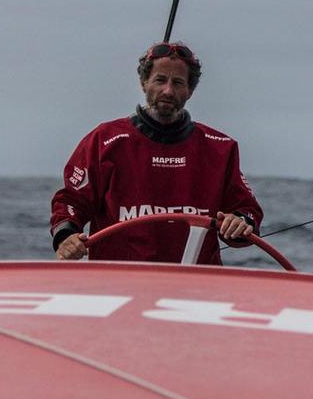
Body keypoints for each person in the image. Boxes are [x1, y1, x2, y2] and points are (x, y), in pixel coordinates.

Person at [50, 42, 262, 264]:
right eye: (160, 80)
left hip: (198, 288)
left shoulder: (220, 147)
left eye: (178, 83)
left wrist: (239, 222)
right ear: (144, 83)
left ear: (190, 91)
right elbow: (70, 200)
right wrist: (66, 236)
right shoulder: (105, 140)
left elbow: (246, 211)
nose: (168, 91)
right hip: (117, 282)